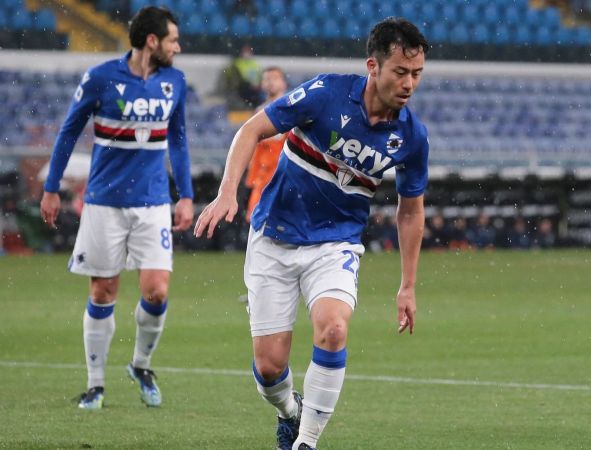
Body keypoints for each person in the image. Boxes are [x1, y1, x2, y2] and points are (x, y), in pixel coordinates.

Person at [193, 17, 429, 450]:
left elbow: (410, 212)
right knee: (268, 368)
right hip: (273, 236)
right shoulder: (326, 94)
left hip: (335, 243)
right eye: (400, 71)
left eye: (416, 73)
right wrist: (227, 192)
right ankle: (290, 412)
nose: (409, 83)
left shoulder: (411, 138)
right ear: (373, 67)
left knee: (334, 328)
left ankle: (307, 442)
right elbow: (252, 129)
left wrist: (408, 285)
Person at [39, 6, 193, 410]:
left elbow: (177, 139)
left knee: (157, 291)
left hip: (154, 202)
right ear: (152, 41)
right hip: (104, 203)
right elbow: (69, 130)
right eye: (174, 39)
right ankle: (95, 384)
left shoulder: (174, 82)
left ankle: (141, 365)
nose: (179, 46)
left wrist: (187, 195)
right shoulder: (102, 78)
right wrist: (51, 188)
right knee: (104, 290)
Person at [244, 67, 289, 221]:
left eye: (274, 78)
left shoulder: (292, 108)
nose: (270, 82)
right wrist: (252, 175)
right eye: (266, 79)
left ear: (284, 83)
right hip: (263, 177)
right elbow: (254, 148)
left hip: (285, 174)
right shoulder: (259, 111)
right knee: (257, 221)